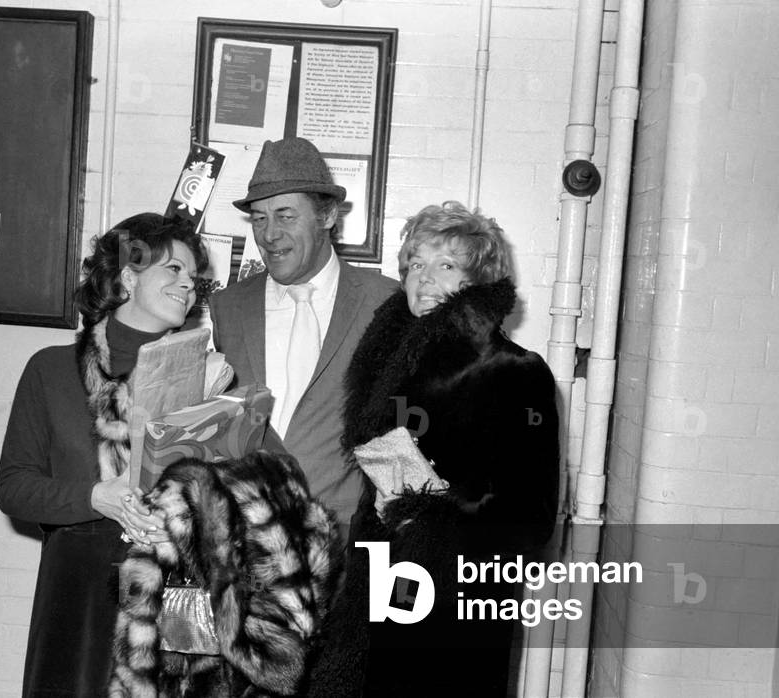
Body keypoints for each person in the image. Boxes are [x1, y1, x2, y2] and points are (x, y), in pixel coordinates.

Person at [309, 201, 560, 697]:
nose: (423, 279)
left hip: (460, 596)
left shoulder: (516, 371)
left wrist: (430, 516)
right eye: (415, 264)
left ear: (477, 280)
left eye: (446, 265)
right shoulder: (395, 363)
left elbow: (532, 518)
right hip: (386, 578)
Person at [0, 213, 215, 697]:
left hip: (179, 592)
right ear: (129, 276)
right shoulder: (50, 370)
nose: (188, 285)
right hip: (79, 589)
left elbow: (245, 487)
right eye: (174, 270)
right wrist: (97, 496)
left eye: (194, 277)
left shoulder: (209, 378)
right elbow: (13, 488)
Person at [210, 137, 398, 537]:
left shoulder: (385, 303)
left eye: (285, 216)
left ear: (327, 215)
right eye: (259, 219)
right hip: (248, 542)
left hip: (345, 542)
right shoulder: (227, 307)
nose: (269, 235)